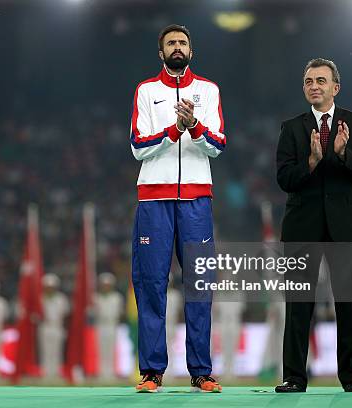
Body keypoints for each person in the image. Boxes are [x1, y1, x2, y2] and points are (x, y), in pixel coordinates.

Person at [130, 24, 226, 393]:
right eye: (170, 43)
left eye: (182, 42)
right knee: (151, 284)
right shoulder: (146, 90)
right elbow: (138, 145)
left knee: (199, 284)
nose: (177, 47)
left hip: (197, 201)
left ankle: (201, 370)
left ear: (191, 49)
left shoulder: (208, 90)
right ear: (161, 52)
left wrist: (195, 126)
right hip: (153, 198)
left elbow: (217, 144)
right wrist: (174, 129)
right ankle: (152, 371)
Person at [275, 58, 352, 393]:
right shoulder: (291, 128)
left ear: (336, 87)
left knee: (348, 304)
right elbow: (284, 178)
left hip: (345, 227)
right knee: (299, 304)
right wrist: (312, 162)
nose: (313, 86)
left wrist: (344, 155)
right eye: (308, 81)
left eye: (320, 80)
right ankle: (294, 377)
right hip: (301, 227)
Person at [39, 274, 69, 381]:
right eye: (47, 287)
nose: (50, 289)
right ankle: (46, 372)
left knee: (57, 350)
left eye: (52, 287)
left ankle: (56, 372)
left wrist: (64, 328)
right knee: (45, 350)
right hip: (45, 326)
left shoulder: (61, 299)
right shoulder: (40, 298)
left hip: (57, 326)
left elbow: (65, 315)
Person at [94, 272, 123, 382]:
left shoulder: (117, 297)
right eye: (104, 284)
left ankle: (110, 373)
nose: (106, 286)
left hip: (112, 325)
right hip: (101, 324)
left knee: (111, 349)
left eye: (108, 284)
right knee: (101, 349)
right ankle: (101, 373)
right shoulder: (96, 297)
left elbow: (120, 313)